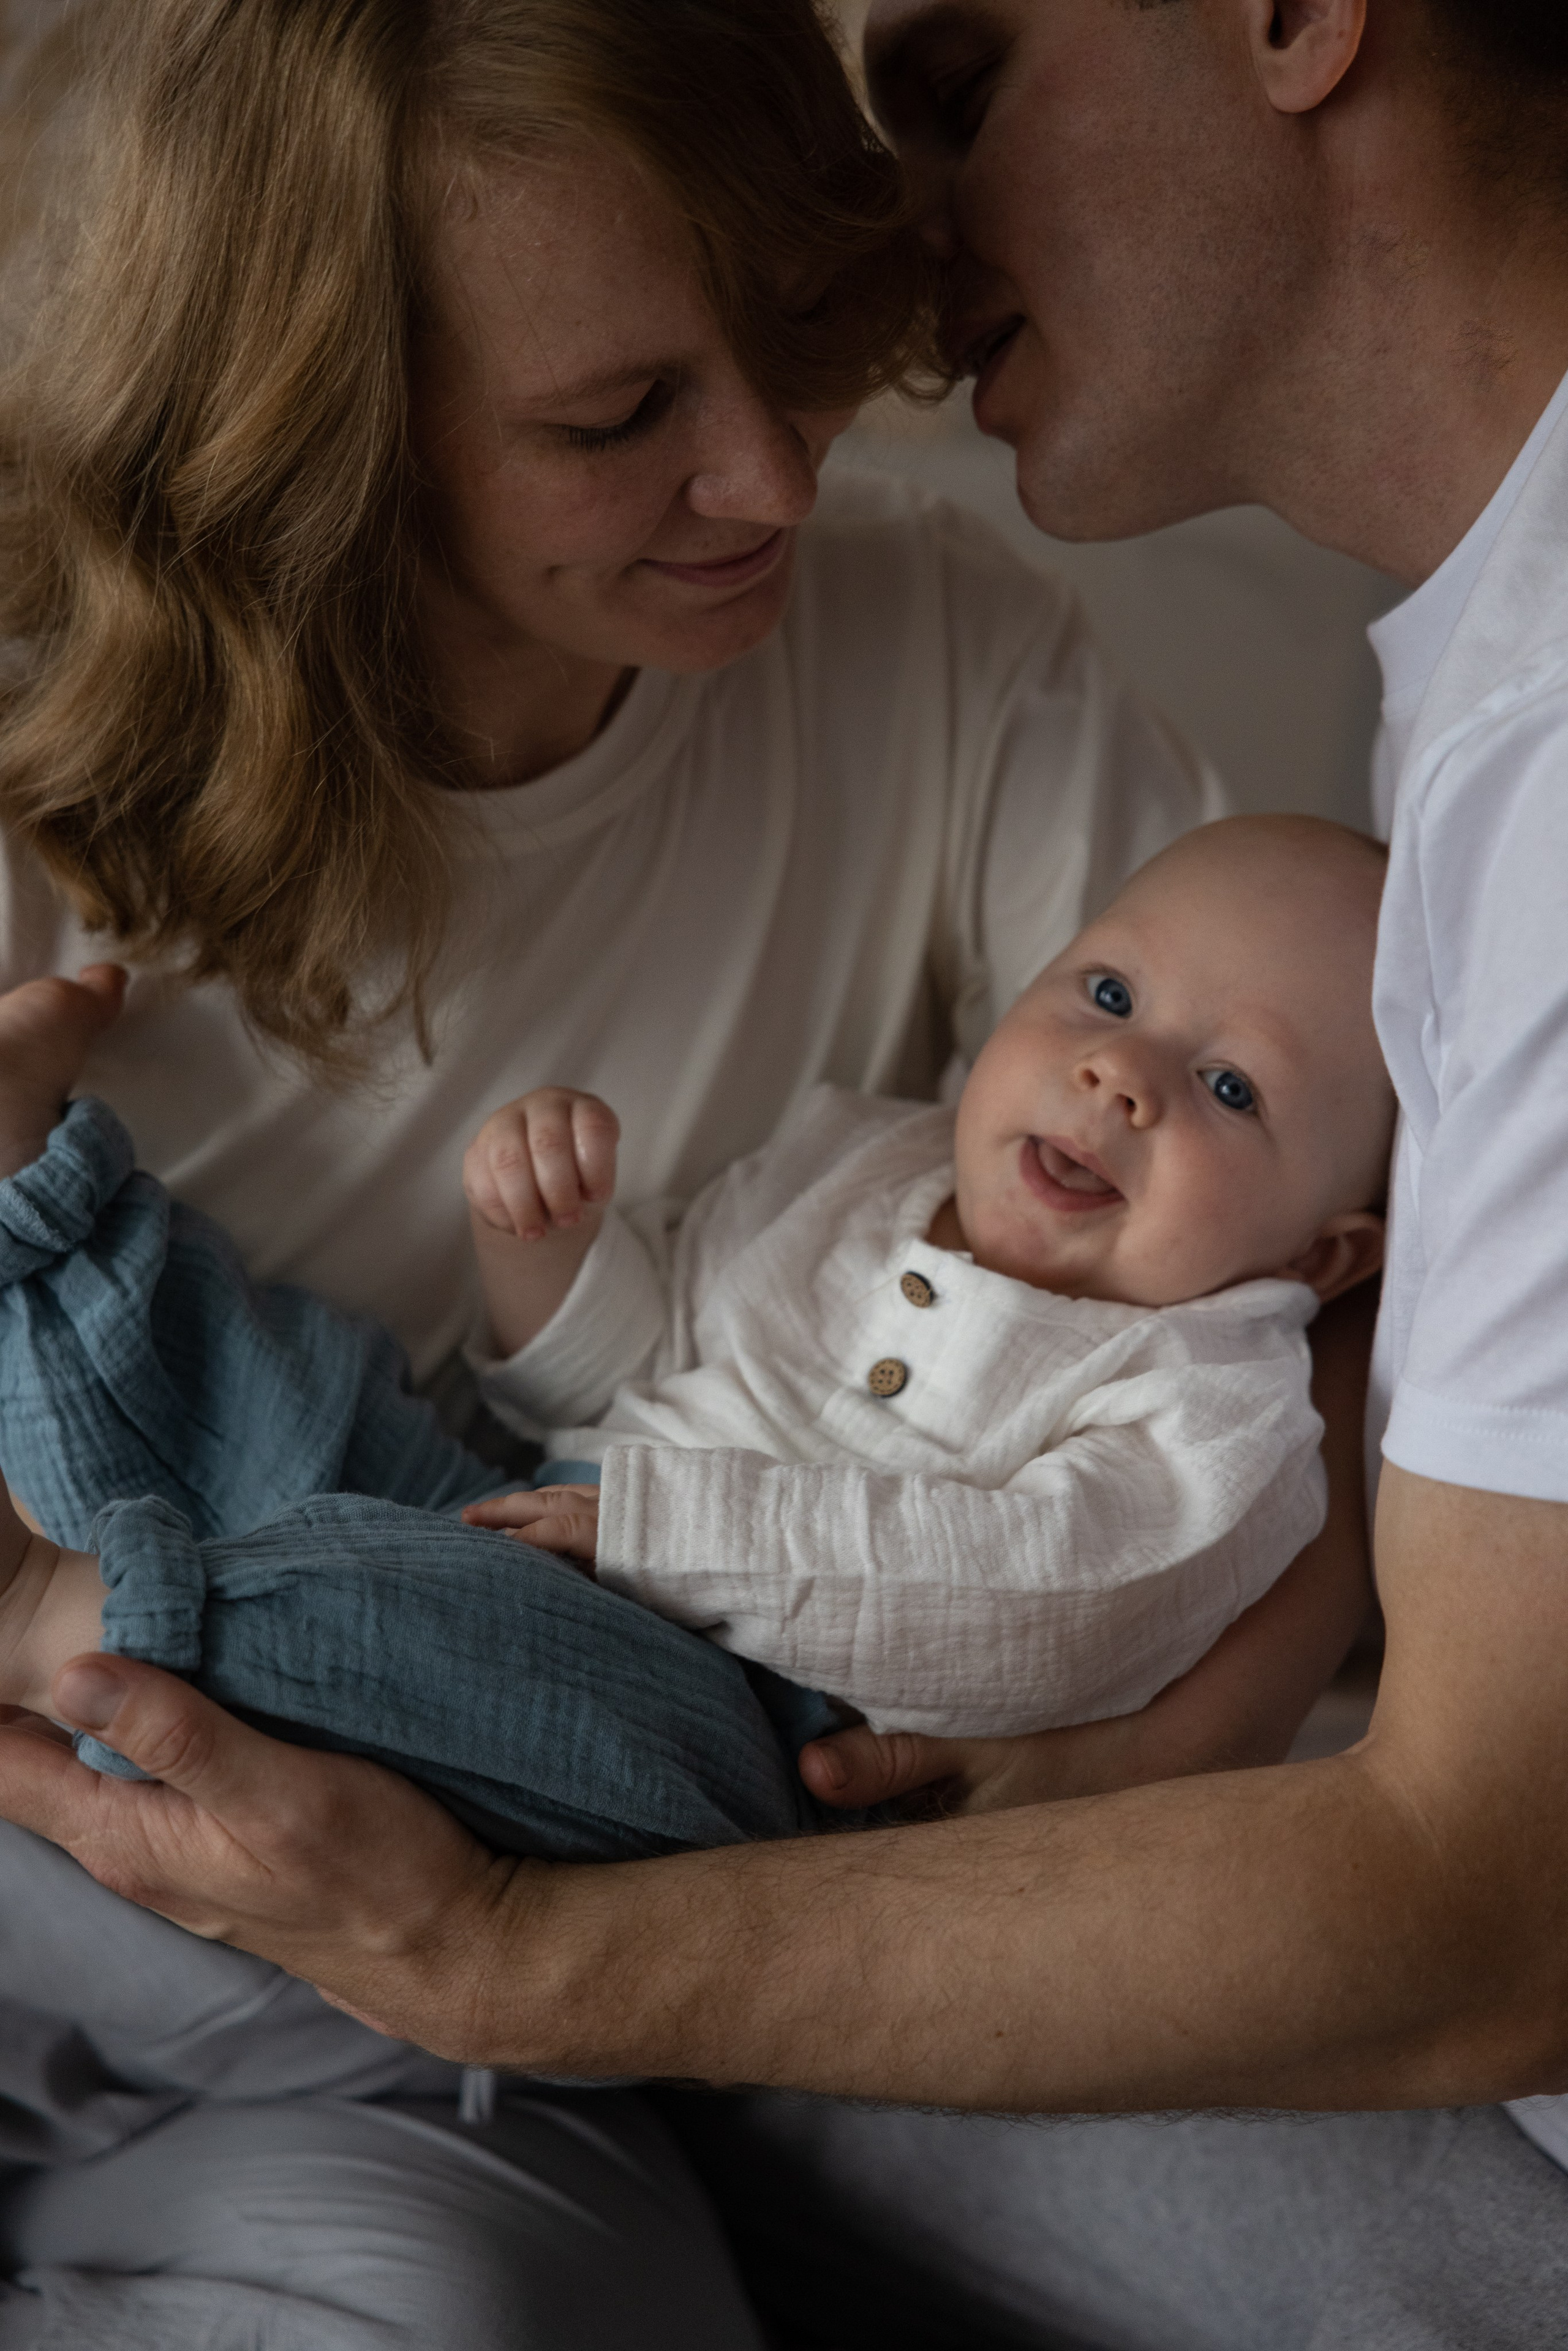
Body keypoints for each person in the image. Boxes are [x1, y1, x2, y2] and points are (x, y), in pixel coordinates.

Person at [7, 0, 1568, 2344]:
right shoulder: (44, 788)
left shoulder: (941, 663)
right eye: (618, 418)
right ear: (312, 449)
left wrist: (1160, 1749)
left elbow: (1340, 1261)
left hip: (662, 1801)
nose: (774, 480)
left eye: (783, 347)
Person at [0, 818, 1390, 1854]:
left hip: (730, 1730)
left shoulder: (1219, 1411)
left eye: (1224, 1084)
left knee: (367, 1620)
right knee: (283, 1393)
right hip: (522, 1508)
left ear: (1321, 1253)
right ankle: (42, 1205)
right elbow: (625, 1363)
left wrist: (659, 1531)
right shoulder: (865, 1156)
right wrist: (541, 1247)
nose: (1117, 1074)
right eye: (1103, 994)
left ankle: (52, 1617)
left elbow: (1033, 1606)